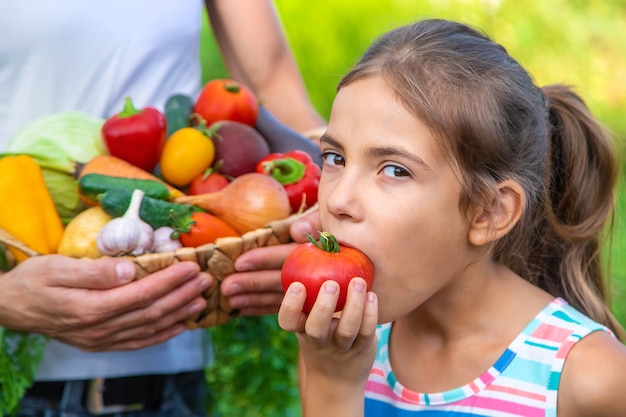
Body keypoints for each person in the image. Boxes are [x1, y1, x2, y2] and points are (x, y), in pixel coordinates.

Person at [278, 18, 626, 417]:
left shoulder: (588, 380)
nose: (337, 199)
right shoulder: (338, 342)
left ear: (489, 212)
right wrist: (332, 382)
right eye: (335, 158)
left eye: (394, 169)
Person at [0, 0, 324, 416]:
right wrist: (6, 299)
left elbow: (276, 91)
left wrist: (313, 213)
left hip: (174, 367)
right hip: (20, 381)